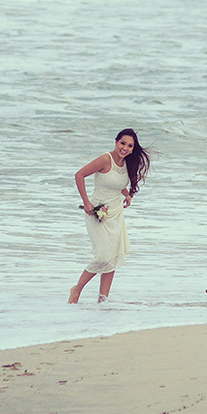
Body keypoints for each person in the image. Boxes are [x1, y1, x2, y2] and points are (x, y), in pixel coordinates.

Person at [69, 128, 151, 303]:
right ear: (116, 142)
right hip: (97, 212)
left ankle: (103, 299)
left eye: (130, 146)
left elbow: (116, 184)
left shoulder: (126, 163)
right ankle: (77, 289)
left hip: (115, 213)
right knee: (103, 257)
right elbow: (79, 175)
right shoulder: (105, 159)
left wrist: (127, 194)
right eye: (123, 143)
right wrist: (86, 202)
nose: (125, 148)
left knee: (112, 258)